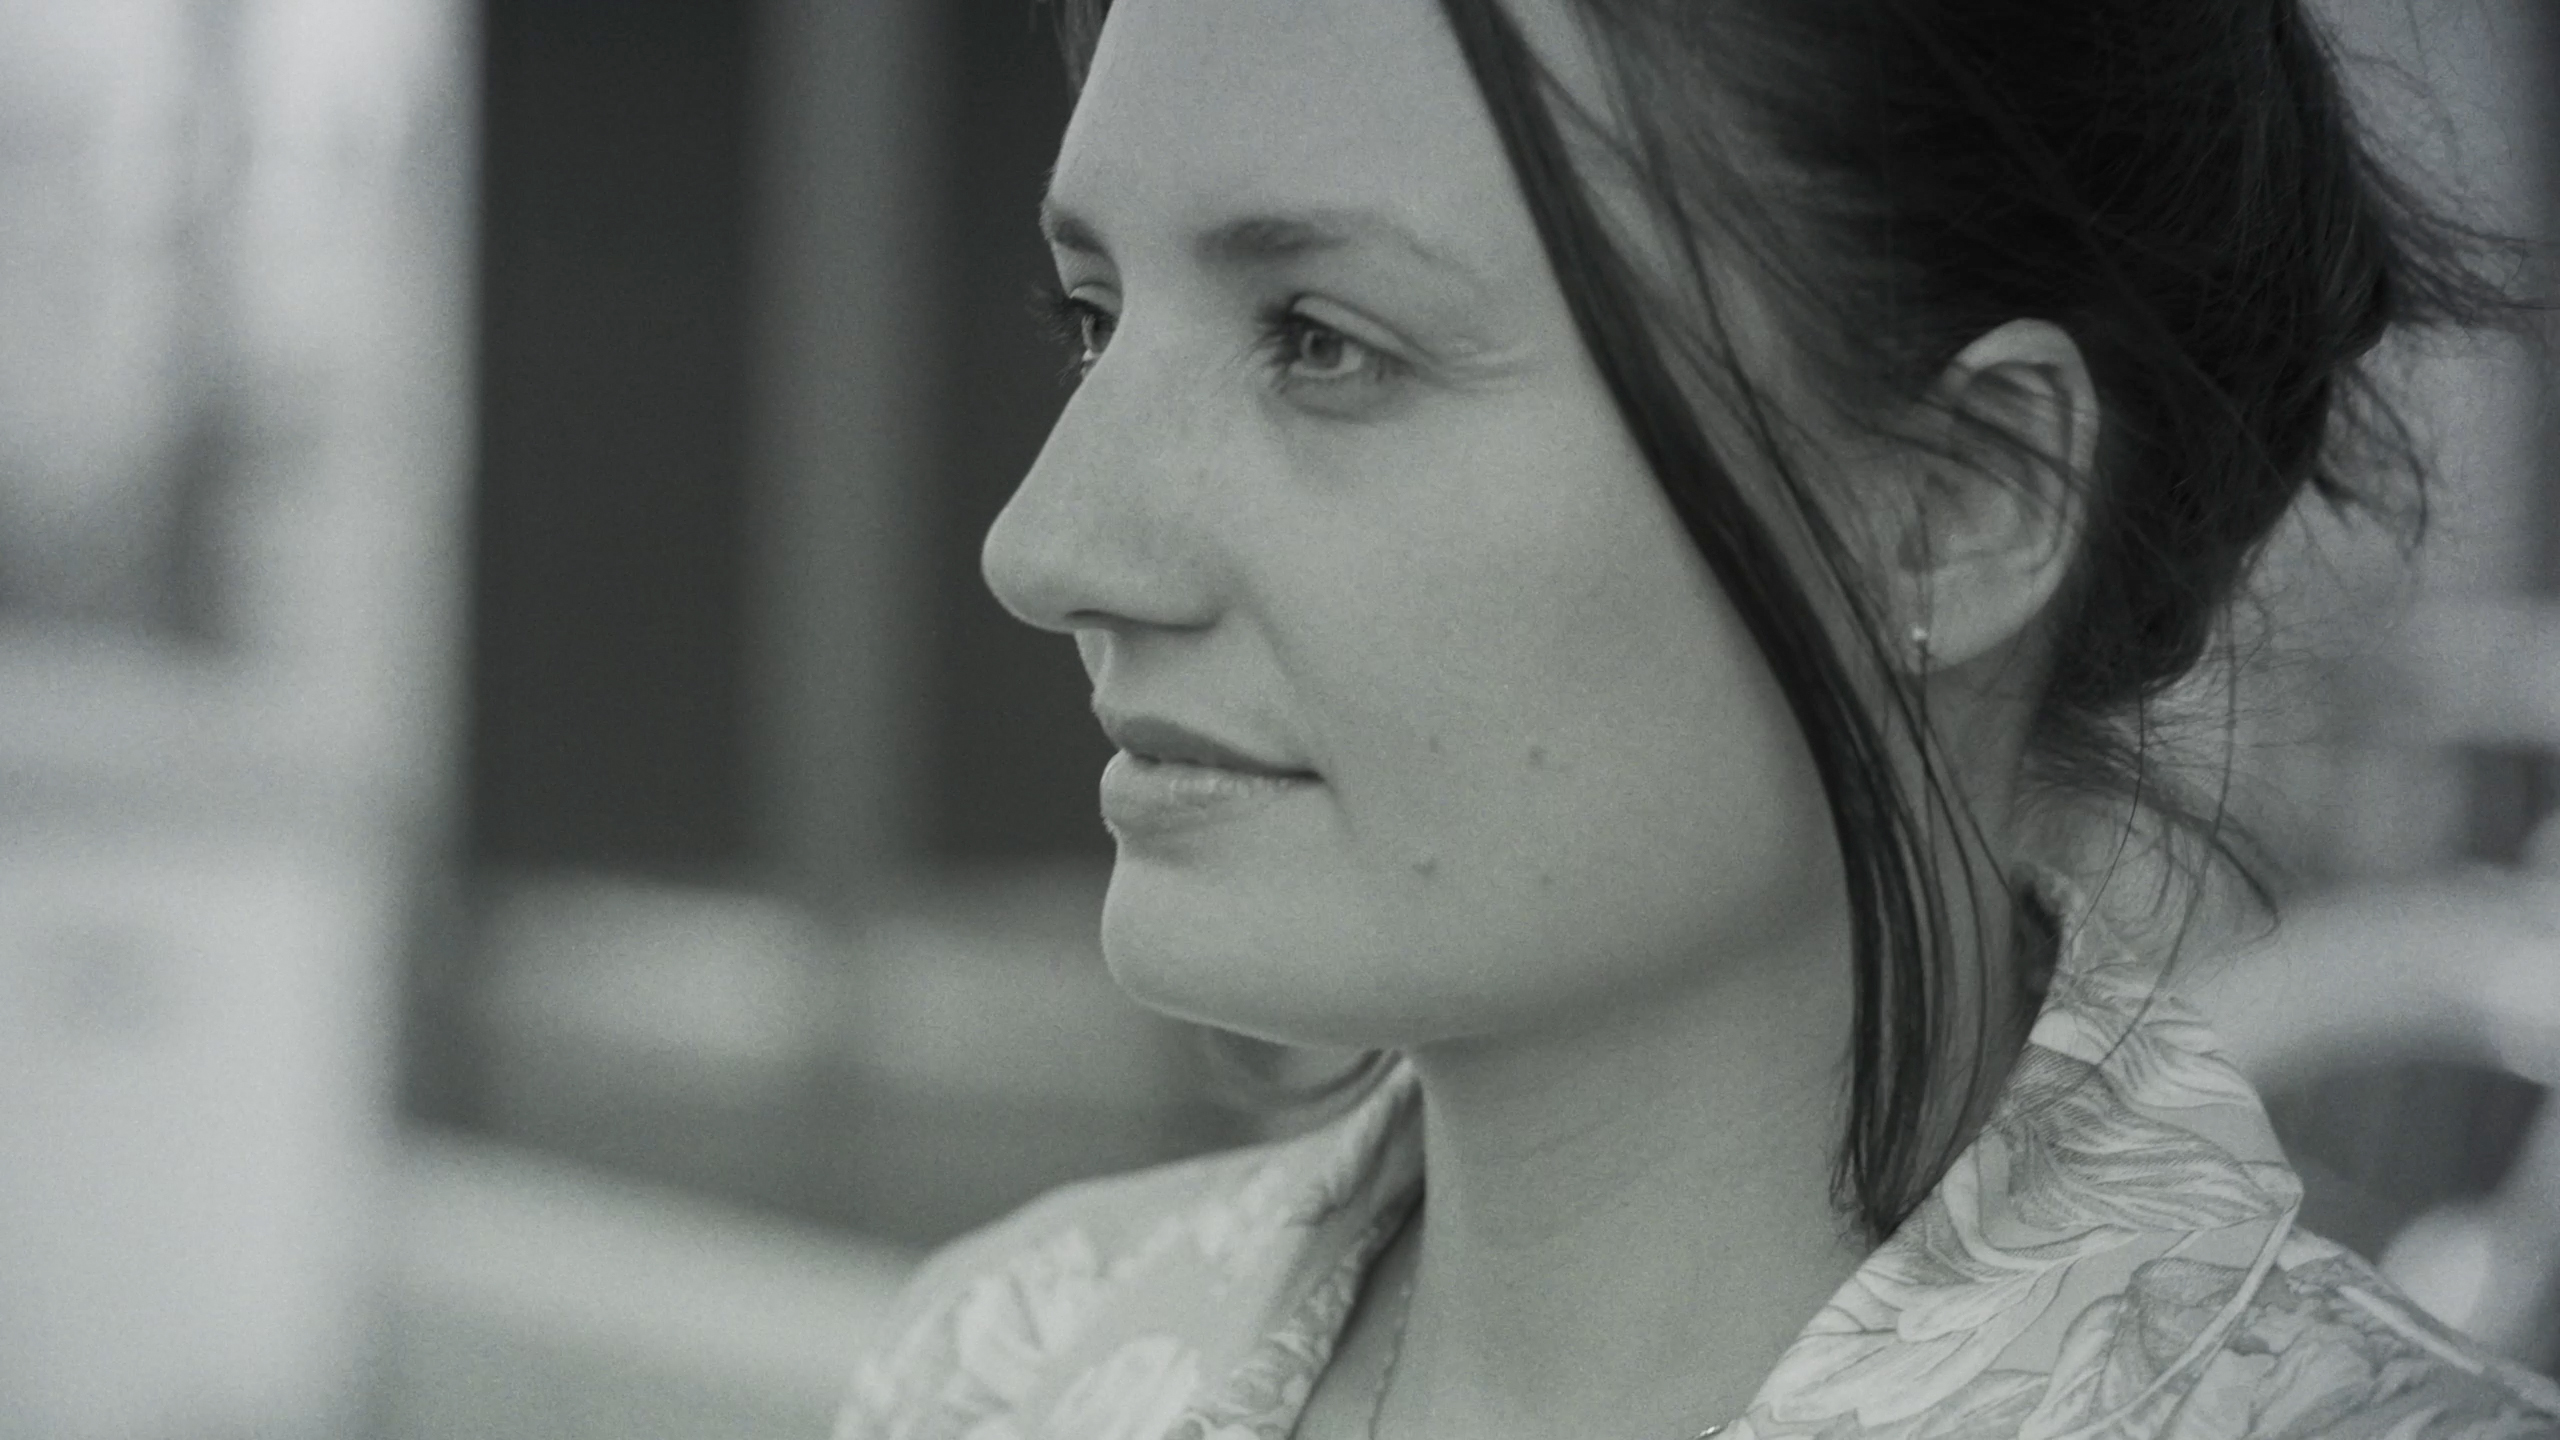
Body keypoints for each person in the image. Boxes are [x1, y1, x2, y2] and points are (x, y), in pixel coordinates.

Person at [836, 0, 2560, 1435]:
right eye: (1094, 320)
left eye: (1324, 342)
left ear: (1960, 498)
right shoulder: (1008, 1370)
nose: (1045, 547)